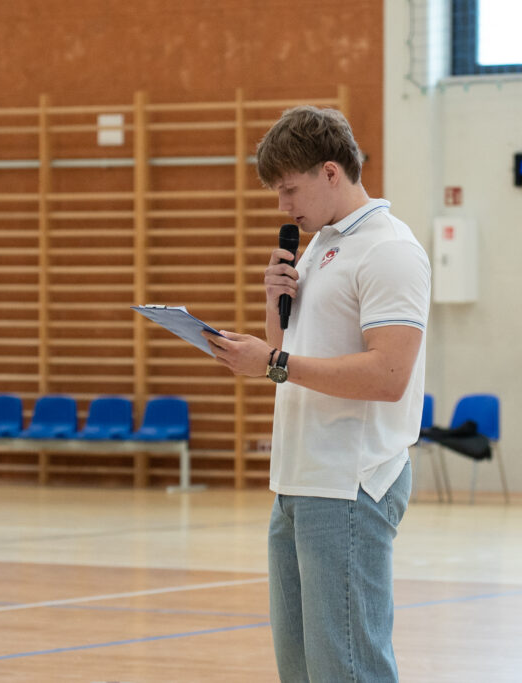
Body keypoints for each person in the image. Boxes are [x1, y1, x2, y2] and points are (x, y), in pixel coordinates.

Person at [204, 105, 430, 682]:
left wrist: (272, 362)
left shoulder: (388, 249)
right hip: (298, 480)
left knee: (347, 669)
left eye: (289, 189)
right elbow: (292, 351)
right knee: (302, 670)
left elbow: (389, 376)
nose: (283, 206)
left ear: (331, 172)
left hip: (348, 482)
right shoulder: (320, 245)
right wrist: (273, 308)